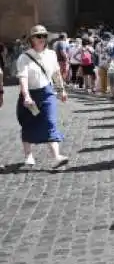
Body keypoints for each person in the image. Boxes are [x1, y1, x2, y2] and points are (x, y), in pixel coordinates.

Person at [15, 25, 69, 169]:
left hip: (47, 93)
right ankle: (28, 155)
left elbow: (56, 74)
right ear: (31, 39)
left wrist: (61, 90)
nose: (41, 39)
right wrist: (26, 96)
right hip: (30, 95)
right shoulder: (24, 57)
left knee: (50, 122)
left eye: (44, 36)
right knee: (28, 124)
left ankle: (56, 156)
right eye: (38, 36)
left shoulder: (51, 54)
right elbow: (23, 78)